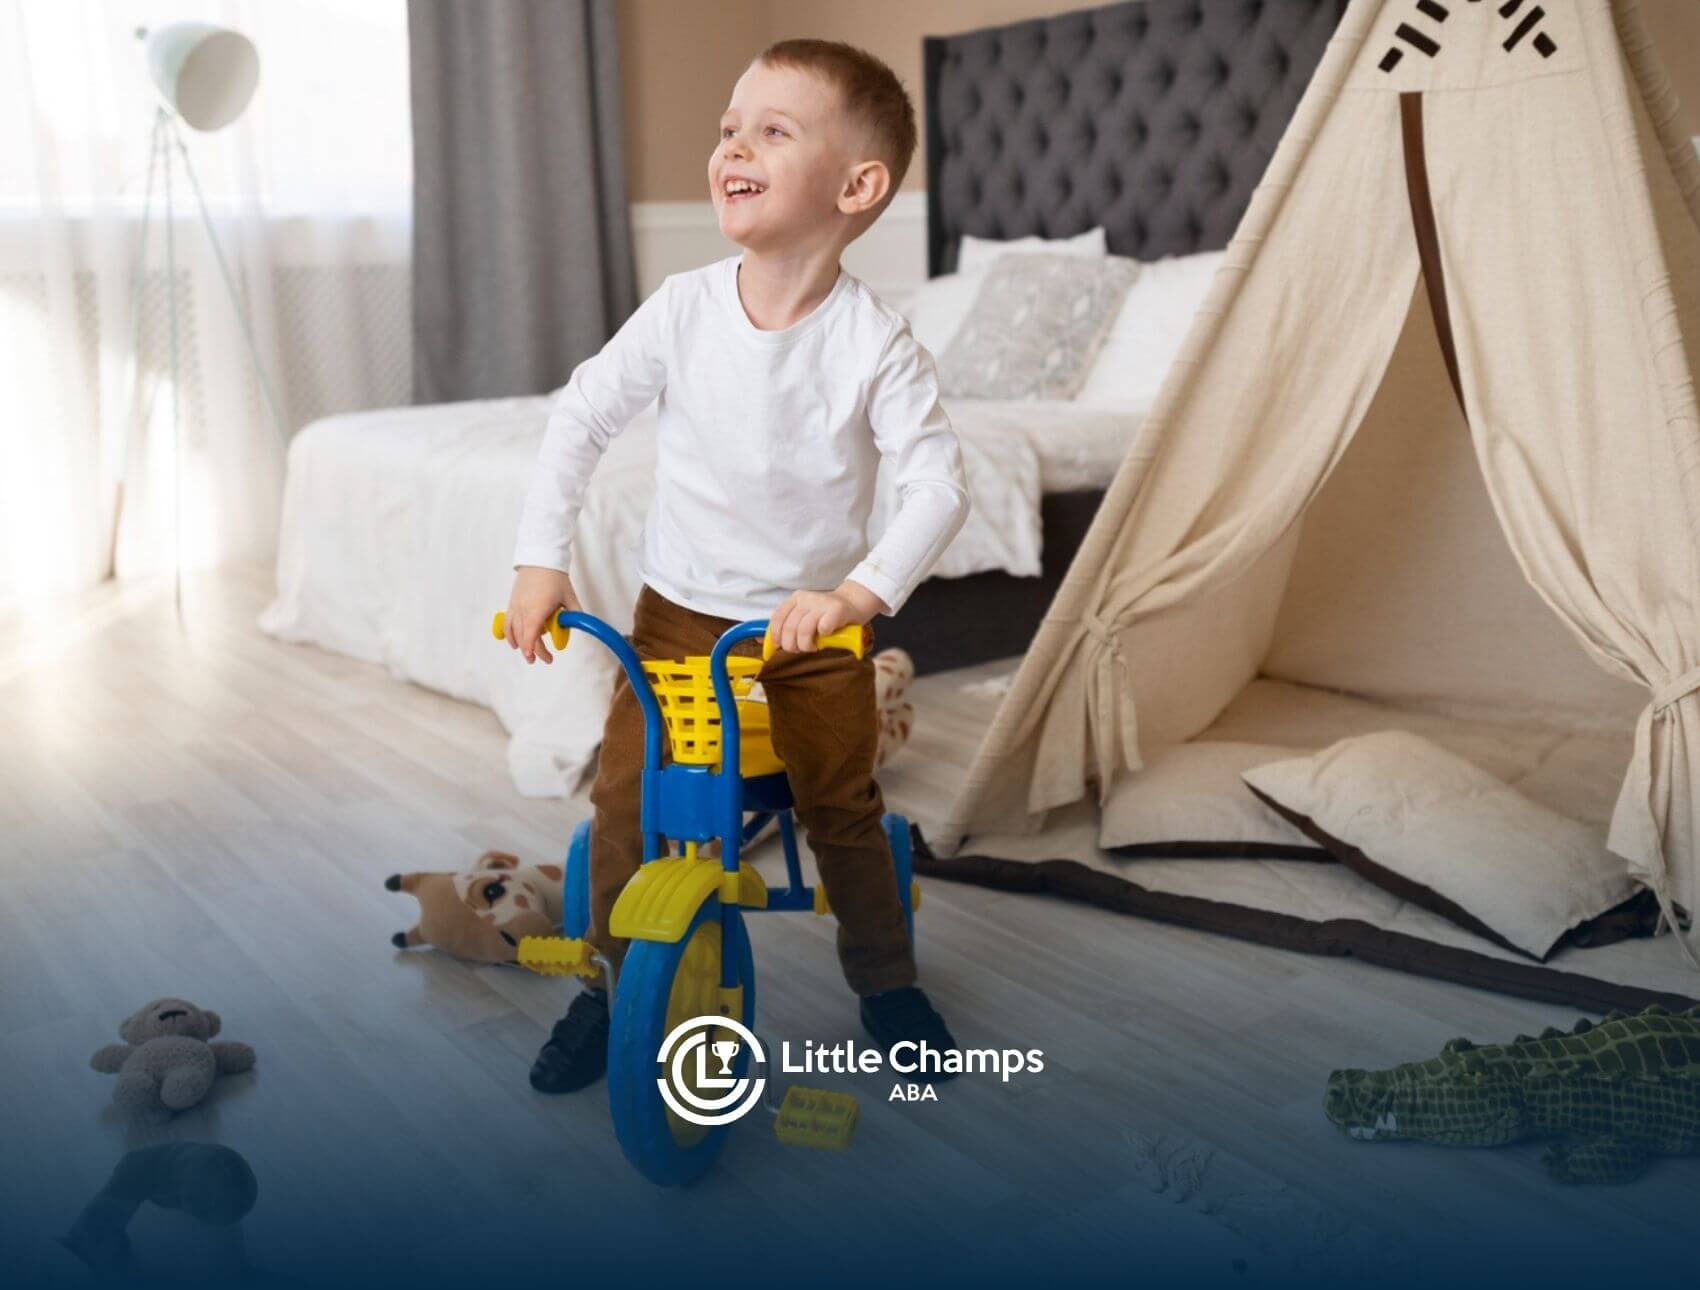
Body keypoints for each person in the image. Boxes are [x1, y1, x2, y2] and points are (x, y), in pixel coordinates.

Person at [504, 39, 969, 1094]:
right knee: (625, 801)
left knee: (840, 809)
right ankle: (607, 990)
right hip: (675, 619)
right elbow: (580, 418)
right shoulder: (683, 307)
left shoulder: (876, 344)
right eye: (728, 129)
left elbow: (937, 487)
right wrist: (541, 561)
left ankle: (887, 983)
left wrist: (854, 597)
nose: (732, 148)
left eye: (772, 130)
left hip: (812, 632)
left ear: (856, 187)